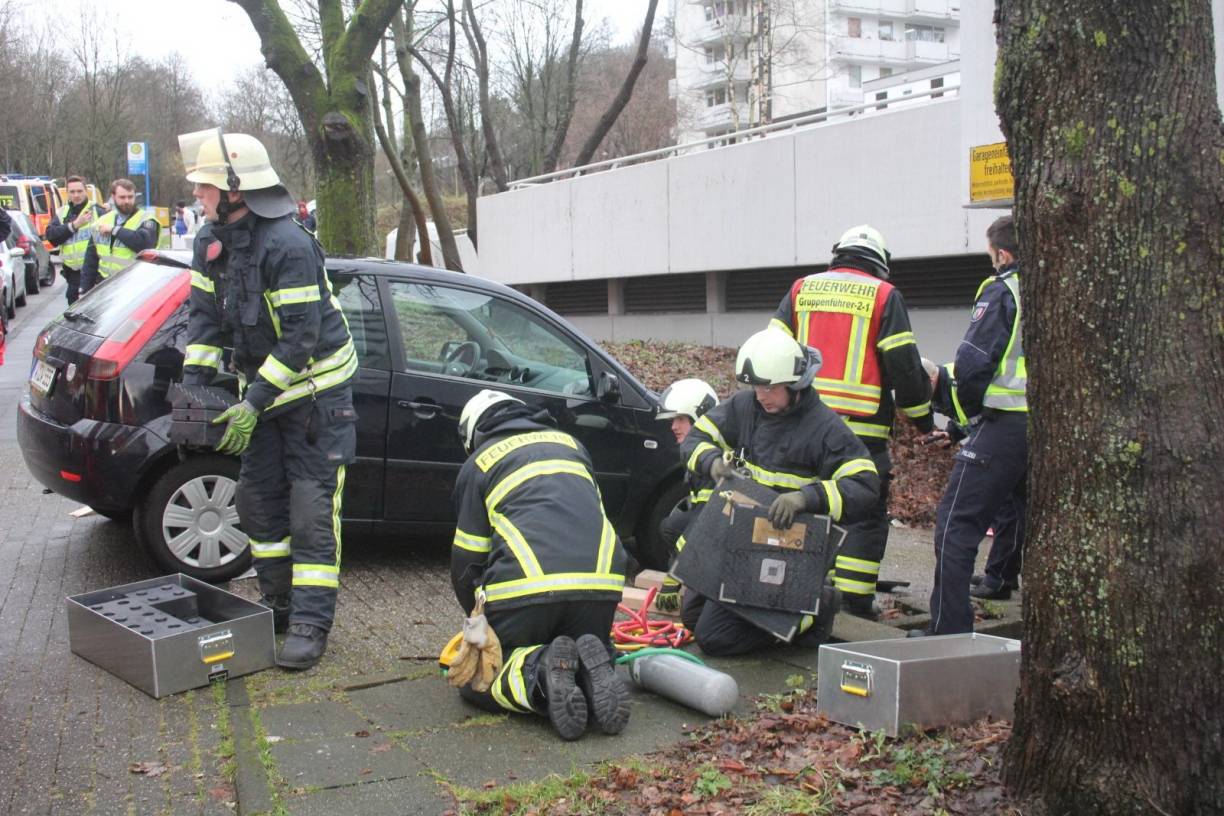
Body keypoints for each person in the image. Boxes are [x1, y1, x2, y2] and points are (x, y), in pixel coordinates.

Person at [178, 128, 358, 669]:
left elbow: (299, 340)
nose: (198, 196)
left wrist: (253, 402)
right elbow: (206, 321)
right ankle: (277, 603)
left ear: (236, 189)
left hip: (315, 399)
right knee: (257, 505)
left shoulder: (290, 244)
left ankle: (310, 621)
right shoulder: (209, 244)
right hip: (265, 397)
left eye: (205, 187)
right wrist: (195, 396)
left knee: (309, 513)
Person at [678, 328, 881, 656]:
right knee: (691, 616)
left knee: (713, 638)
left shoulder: (825, 428)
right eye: (756, 386)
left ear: (796, 384)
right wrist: (713, 462)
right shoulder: (745, 407)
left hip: (789, 551)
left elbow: (865, 485)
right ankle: (785, 614)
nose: (761, 395)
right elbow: (695, 439)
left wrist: (806, 498)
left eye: (769, 387)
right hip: (746, 541)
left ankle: (811, 614)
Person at [771, 225, 933, 620]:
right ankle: (854, 607)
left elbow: (771, 350)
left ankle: (793, 594)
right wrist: (922, 418)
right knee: (863, 515)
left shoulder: (801, 289)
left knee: (807, 506)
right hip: (862, 435)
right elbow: (905, 368)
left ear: (838, 254)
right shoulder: (884, 295)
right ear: (880, 263)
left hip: (803, 427)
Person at [450, 389, 630, 741]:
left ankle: (540, 670)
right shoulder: (573, 445)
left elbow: (467, 562)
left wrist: (478, 628)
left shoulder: (481, 462)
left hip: (526, 590)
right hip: (602, 588)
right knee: (580, 647)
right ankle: (597, 665)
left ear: (473, 434)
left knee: (477, 679)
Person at [923, 215, 1027, 636]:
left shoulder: (1003, 288)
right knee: (1018, 512)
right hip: (1049, 430)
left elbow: (973, 363)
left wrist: (963, 419)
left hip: (1006, 422)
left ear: (1002, 254)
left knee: (954, 524)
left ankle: (948, 632)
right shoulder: (1064, 283)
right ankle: (1002, 580)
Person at [923, 359, 1023, 600]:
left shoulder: (958, 382)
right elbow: (973, 417)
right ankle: (1003, 574)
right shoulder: (948, 385)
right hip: (1010, 437)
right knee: (1009, 509)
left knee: (1009, 510)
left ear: (931, 381)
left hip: (1010, 439)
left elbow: (986, 415)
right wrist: (952, 432)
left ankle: (999, 580)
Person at [651, 379, 719, 612]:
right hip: (710, 528)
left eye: (680, 419)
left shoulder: (714, 459)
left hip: (722, 537)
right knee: (670, 526)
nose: (673, 426)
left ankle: (701, 588)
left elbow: (707, 521)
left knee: (675, 531)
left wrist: (674, 576)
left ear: (700, 417)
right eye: (673, 420)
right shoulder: (700, 454)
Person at [79, 179, 160, 295]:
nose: (127, 201)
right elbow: (91, 258)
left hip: (135, 286)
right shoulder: (102, 221)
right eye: (122, 197)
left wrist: (114, 230)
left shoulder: (147, 220)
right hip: (106, 286)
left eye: (130, 197)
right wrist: (84, 289)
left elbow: (144, 244)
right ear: (113, 197)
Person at [46, 177, 108, 305]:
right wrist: (74, 225)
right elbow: (51, 236)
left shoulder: (98, 211)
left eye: (79, 191)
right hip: (73, 275)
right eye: (72, 192)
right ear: (67, 193)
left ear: (86, 191)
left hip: (96, 274)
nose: (76, 195)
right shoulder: (62, 213)